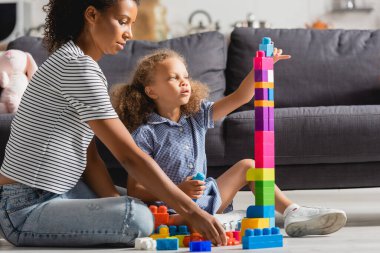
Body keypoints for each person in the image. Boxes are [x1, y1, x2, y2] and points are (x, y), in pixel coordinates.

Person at [0, 0, 227, 247]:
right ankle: (169, 221)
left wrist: (115, 204)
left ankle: (153, 216)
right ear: (92, 15)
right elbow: (129, 155)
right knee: (137, 216)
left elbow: (90, 156)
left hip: (61, 190)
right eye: (122, 21)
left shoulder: (73, 60)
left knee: (136, 203)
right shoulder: (78, 68)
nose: (129, 33)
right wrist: (192, 211)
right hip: (26, 207)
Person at [113, 49, 347, 237]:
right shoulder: (145, 134)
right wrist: (178, 191)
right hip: (175, 209)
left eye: (185, 76)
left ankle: (292, 211)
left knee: (249, 165)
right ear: (151, 91)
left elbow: (240, 97)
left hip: (209, 197)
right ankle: (216, 222)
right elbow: (136, 190)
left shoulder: (196, 116)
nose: (184, 82)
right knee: (169, 222)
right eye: (174, 78)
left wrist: (261, 67)